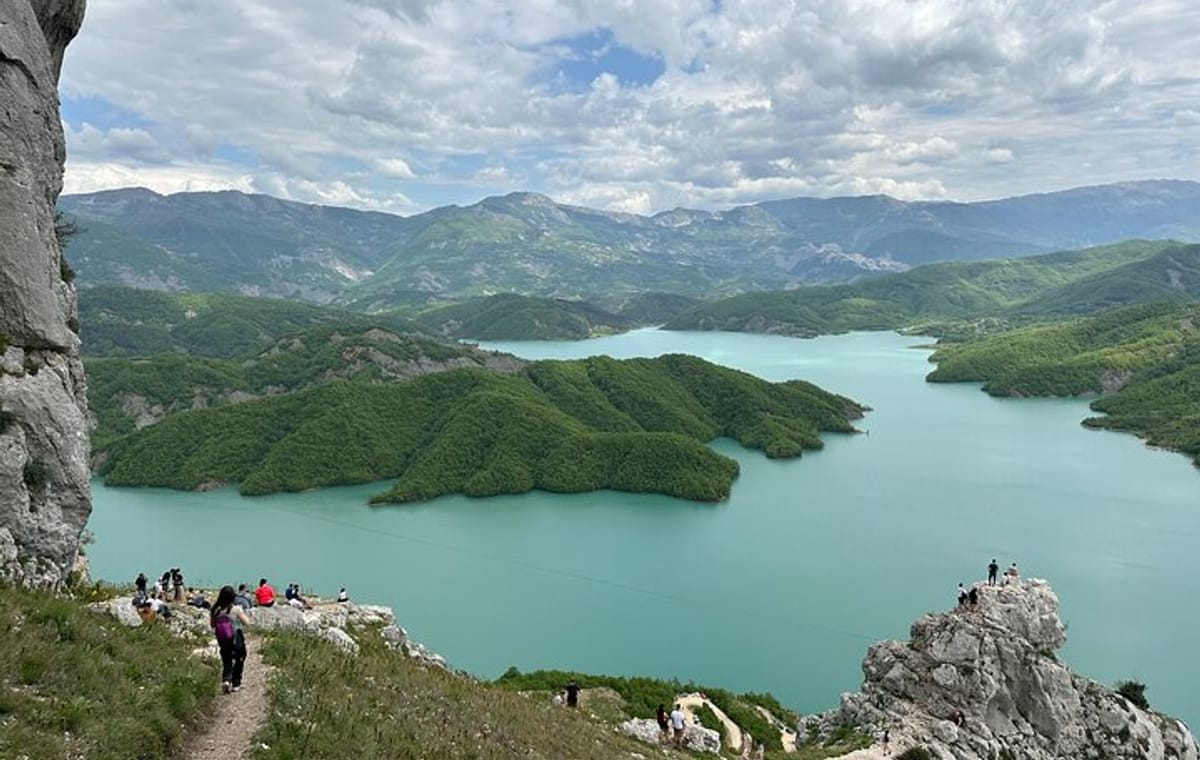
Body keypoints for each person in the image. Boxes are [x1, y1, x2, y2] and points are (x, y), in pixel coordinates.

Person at [211, 585, 252, 694]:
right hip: (235, 636)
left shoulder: (215, 609)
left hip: (222, 639)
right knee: (240, 657)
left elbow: (212, 625)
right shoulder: (236, 609)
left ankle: (226, 679)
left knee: (226, 658)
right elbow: (246, 622)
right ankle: (236, 683)